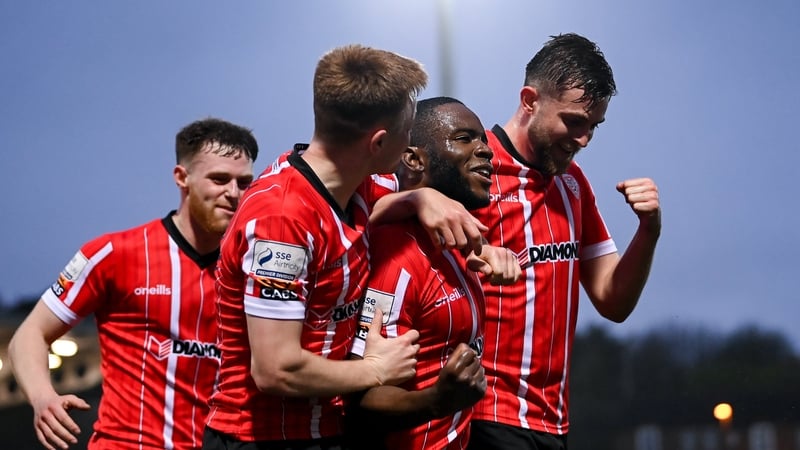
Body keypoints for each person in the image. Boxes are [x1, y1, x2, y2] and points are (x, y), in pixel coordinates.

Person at [203, 45, 486, 450]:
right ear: (378, 142)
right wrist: (375, 371)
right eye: (407, 130)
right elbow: (276, 370)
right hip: (261, 439)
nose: (410, 143)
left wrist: (423, 198)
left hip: (326, 432)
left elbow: (386, 201)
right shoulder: (281, 221)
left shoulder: (358, 183)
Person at [8, 117, 259, 450]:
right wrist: (43, 398)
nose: (233, 193)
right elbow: (29, 335)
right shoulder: (113, 254)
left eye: (244, 182)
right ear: (181, 177)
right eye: (219, 179)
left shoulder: (252, 268)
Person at [467, 33, 662, 450]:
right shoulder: (472, 168)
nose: (584, 139)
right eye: (574, 121)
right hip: (484, 415)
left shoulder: (572, 182)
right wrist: (421, 199)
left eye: (594, 126)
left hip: (553, 422)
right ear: (529, 100)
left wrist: (649, 230)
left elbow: (613, 301)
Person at [345, 96, 522, 450]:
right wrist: (437, 400)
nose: (485, 150)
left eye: (483, 140)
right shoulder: (397, 256)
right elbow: (362, 399)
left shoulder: (452, 247)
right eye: (464, 138)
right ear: (413, 159)